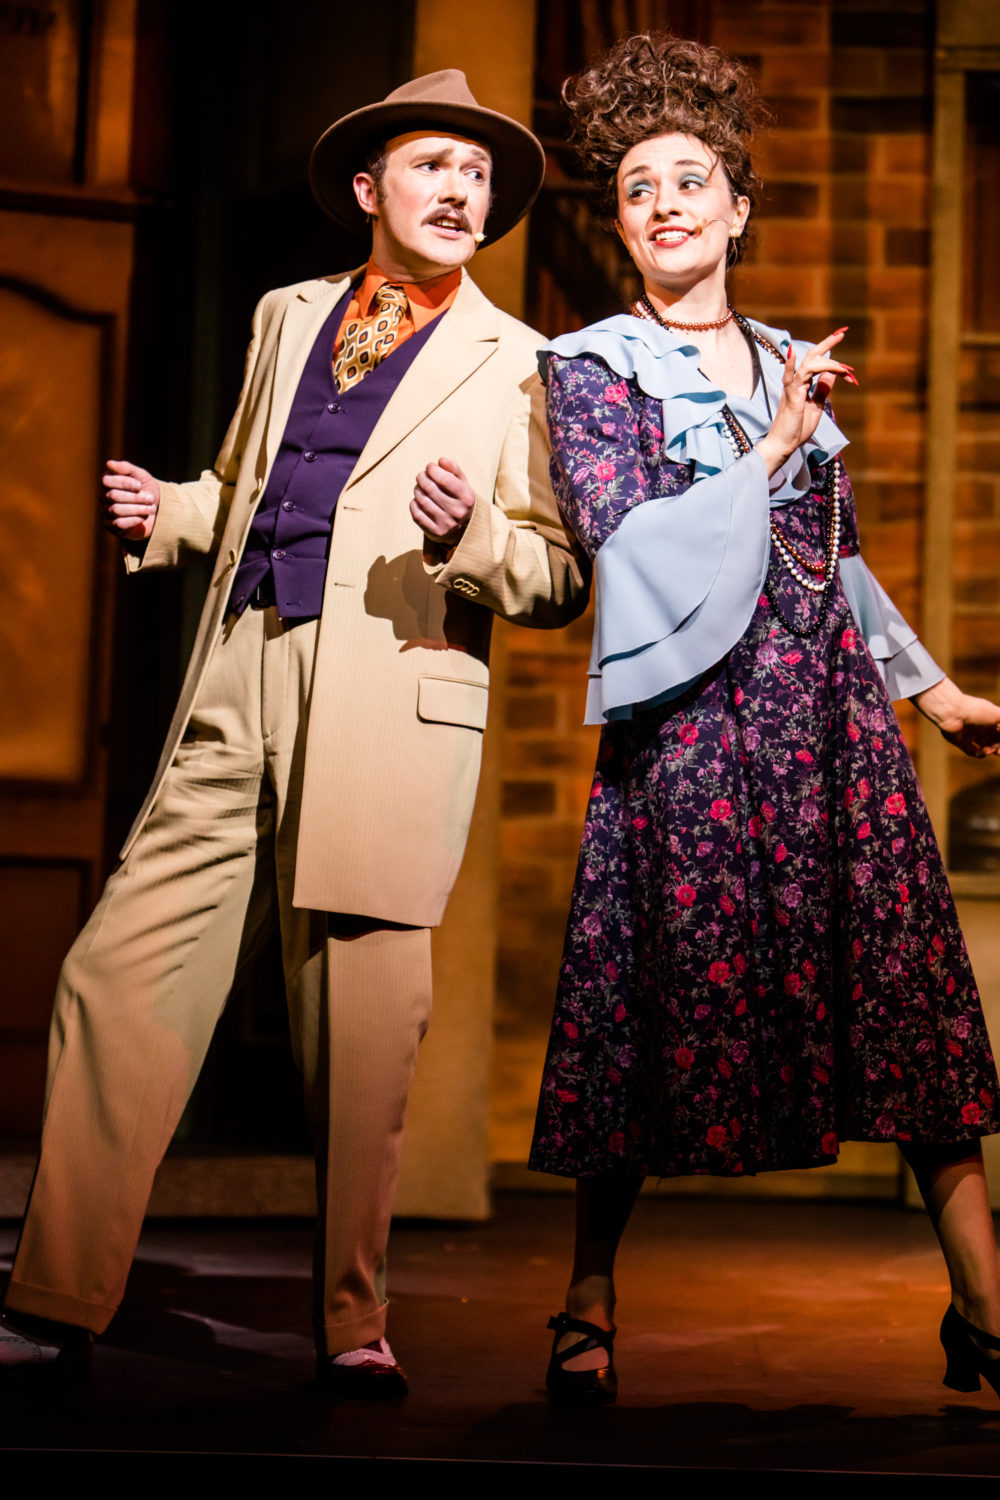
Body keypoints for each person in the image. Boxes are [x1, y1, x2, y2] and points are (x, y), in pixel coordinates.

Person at [0, 70, 588, 1394]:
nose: (460, 192)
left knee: (362, 1034)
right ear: (371, 190)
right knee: (115, 977)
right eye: (433, 166)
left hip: (387, 697)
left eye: (478, 175)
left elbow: (557, 575)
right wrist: (173, 512)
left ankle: (352, 1320)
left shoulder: (522, 362)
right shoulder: (287, 317)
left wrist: (473, 536)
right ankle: (57, 1297)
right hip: (239, 677)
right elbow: (253, 488)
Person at [528, 31, 1000, 1406]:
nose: (664, 204)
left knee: (904, 991)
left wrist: (931, 689)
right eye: (637, 189)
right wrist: (776, 443)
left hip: (827, 724)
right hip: (691, 724)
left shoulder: (794, 358)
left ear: (738, 208)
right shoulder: (591, 367)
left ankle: (983, 1298)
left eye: (691, 181)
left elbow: (831, 558)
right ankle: (589, 1294)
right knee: (645, 997)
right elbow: (630, 539)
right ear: (622, 226)